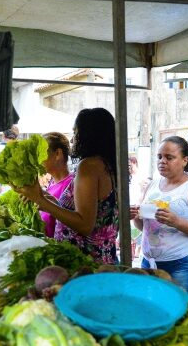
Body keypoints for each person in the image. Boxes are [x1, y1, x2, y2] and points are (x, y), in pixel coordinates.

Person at [16, 109, 119, 264]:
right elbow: (86, 213)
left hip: (86, 264)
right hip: (100, 260)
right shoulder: (106, 164)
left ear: (88, 134)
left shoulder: (89, 166)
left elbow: (84, 225)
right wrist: (48, 200)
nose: (72, 141)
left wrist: (41, 201)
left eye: (75, 133)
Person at [131, 136, 188, 293]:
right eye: (159, 156)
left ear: (185, 160)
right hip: (150, 263)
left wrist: (177, 221)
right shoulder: (152, 185)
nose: (162, 161)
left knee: (183, 313)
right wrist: (136, 217)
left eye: (169, 157)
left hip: (184, 264)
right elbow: (143, 226)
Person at [37, 132, 73, 238]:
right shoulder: (52, 183)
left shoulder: (71, 185)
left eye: (41, 153)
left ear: (58, 154)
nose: (38, 159)